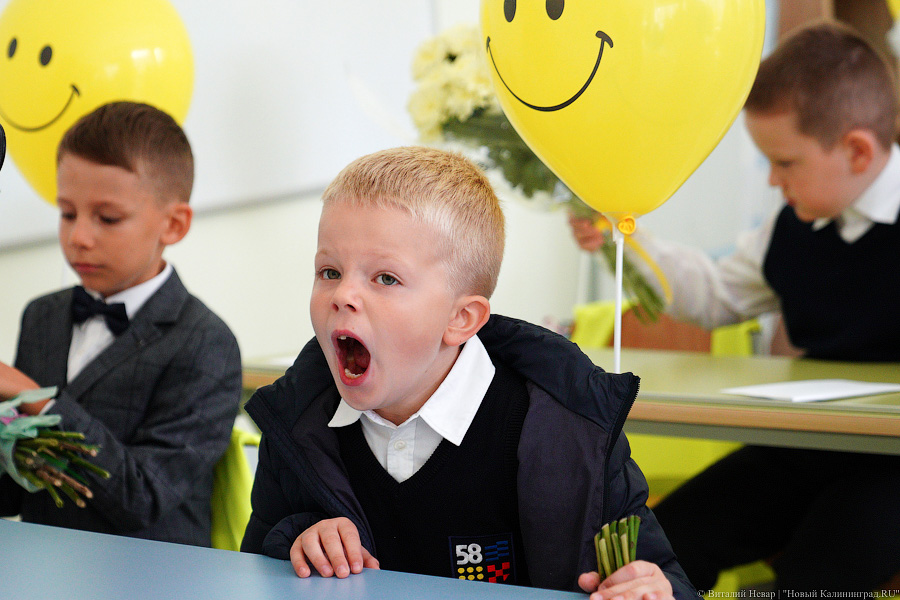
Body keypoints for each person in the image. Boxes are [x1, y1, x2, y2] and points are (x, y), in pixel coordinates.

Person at [239, 146, 695, 599]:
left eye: (385, 279)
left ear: (461, 319)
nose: (344, 295)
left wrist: (656, 591)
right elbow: (253, 572)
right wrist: (295, 543)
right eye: (330, 271)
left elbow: (665, 582)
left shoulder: (571, 432)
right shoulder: (296, 422)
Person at [570, 21, 900, 591]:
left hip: (890, 462)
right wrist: (630, 239)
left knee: (813, 577)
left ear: (857, 150)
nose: (773, 180)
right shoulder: (791, 226)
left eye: (786, 162)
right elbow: (717, 295)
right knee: (666, 542)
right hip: (807, 443)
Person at [0, 101, 243, 547]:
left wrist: (35, 399)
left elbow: (144, 496)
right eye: (67, 213)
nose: (79, 237)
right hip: (40, 570)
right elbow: (16, 488)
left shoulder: (206, 342)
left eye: (107, 218)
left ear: (173, 224)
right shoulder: (42, 316)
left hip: (151, 581)